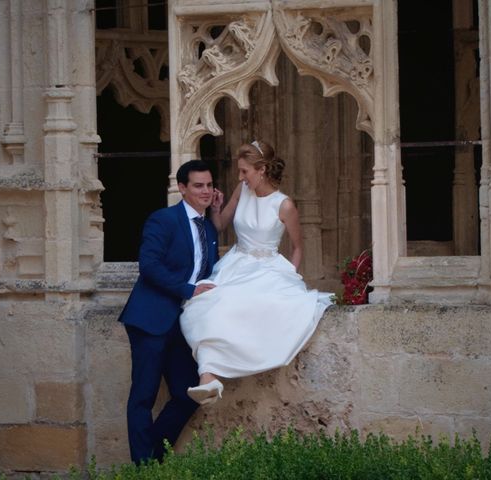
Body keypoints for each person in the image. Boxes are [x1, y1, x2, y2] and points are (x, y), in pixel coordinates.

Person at [180, 140, 333, 405]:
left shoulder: (284, 205)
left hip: (268, 268)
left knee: (250, 308)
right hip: (235, 264)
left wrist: (290, 277)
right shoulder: (242, 190)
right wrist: (215, 209)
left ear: (261, 170)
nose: (240, 177)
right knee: (205, 303)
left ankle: (211, 375)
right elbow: (219, 224)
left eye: (244, 171)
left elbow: (297, 248)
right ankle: (208, 377)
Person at [118, 160, 219, 464]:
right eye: (198, 186)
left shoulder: (209, 227)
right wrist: (188, 290)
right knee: (143, 397)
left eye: (209, 185)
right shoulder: (163, 219)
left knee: (188, 393)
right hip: (150, 319)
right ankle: (144, 469)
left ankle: (152, 458)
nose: (205, 191)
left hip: (182, 324)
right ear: (182, 188)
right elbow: (149, 266)